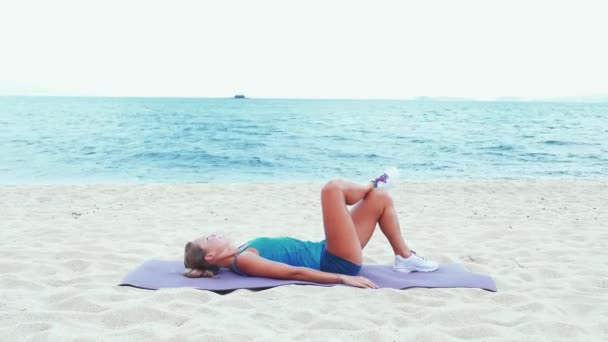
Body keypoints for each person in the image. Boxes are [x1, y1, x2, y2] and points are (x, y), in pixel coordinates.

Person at [183, 168, 438, 289]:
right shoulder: (244, 260)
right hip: (334, 261)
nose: (213, 233)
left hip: (328, 249)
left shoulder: (241, 250)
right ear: (210, 256)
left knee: (380, 201)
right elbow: (295, 272)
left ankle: (404, 256)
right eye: (208, 238)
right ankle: (374, 182)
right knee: (332, 189)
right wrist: (341, 278)